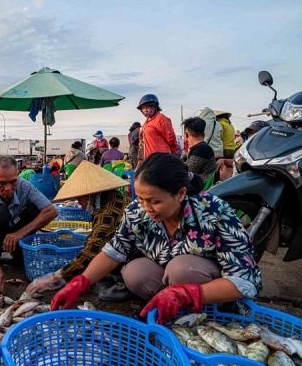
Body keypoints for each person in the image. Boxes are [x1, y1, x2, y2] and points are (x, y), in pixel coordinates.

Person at [50, 153, 262, 324]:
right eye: (141, 199)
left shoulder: (214, 212)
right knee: (134, 272)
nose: (146, 208)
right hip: (170, 278)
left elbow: (245, 281)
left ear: (180, 194)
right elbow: (114, 250)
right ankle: (170, 308)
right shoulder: (137, 211)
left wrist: (186, 293)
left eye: (154, 201)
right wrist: (81, 281)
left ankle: (203, 308)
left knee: (181, 268)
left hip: (208, 284)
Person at [26, 161, 129, 294]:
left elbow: (92, 250)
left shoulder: (109, 212)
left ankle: (121, 283)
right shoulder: (109, 198)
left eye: (80, 199)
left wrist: (55, 277)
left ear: (90, 195)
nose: (79, 204)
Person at [0, 156, 58, 292]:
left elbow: (51, 211)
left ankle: (18, 252)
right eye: (1, 183)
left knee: (35, 209)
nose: (8, 188)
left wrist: (19, 234)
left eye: (13, 182)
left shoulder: (24, 186)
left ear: (17, 175)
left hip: (15, 230)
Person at [137, 94, 179, 160]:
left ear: (155, 107)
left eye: (149, 107)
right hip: (149, 160)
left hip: (161, 159)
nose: (146, 110)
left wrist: (173, 154)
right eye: (143, 108)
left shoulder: (161, 119)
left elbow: (171, 139)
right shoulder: (146, 122)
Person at [182, 117, 217, 185]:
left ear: (186, 134)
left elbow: (188, 172)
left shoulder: (201, 150)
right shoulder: (203, 147)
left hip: (200, 187)